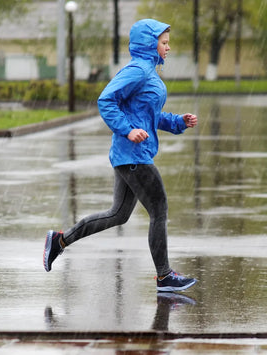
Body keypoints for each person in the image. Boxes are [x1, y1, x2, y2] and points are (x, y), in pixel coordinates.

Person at [43, 19, 198, 292]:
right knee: (159, 209)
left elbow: (148, 115)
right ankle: (164, 277)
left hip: (132, 155)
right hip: (133, 155)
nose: (168, 47)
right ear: (150, 44)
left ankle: (59, 241)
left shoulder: (148, 72)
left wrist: (177, 122)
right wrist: (127, 131)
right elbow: (106, 100)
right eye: (164, 43)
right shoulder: (138, 70)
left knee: (118, 214)